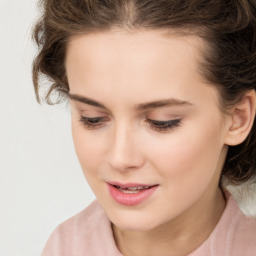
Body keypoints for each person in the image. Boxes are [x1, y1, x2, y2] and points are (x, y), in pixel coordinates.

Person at [32, 0, 256, 255]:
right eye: (92, 118)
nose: (120, 158)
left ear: (238, 118)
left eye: (162, 122)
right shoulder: (64, 247)